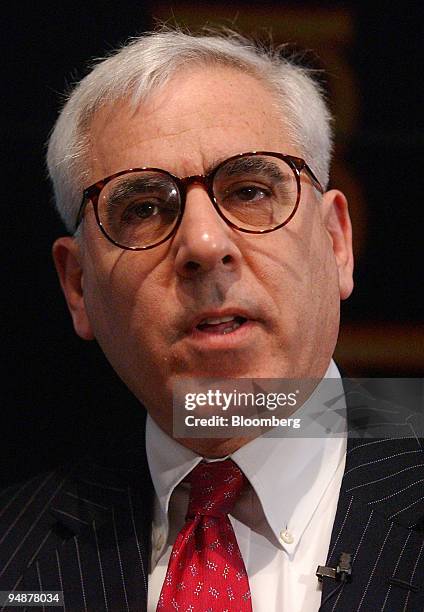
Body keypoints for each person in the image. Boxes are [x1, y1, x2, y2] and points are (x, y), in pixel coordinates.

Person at [1, 28, 423, 612]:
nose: (203, 242)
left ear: (335, 243)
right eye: (143, 208)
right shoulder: (12, 559)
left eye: (250, 189)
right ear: (78, 285)